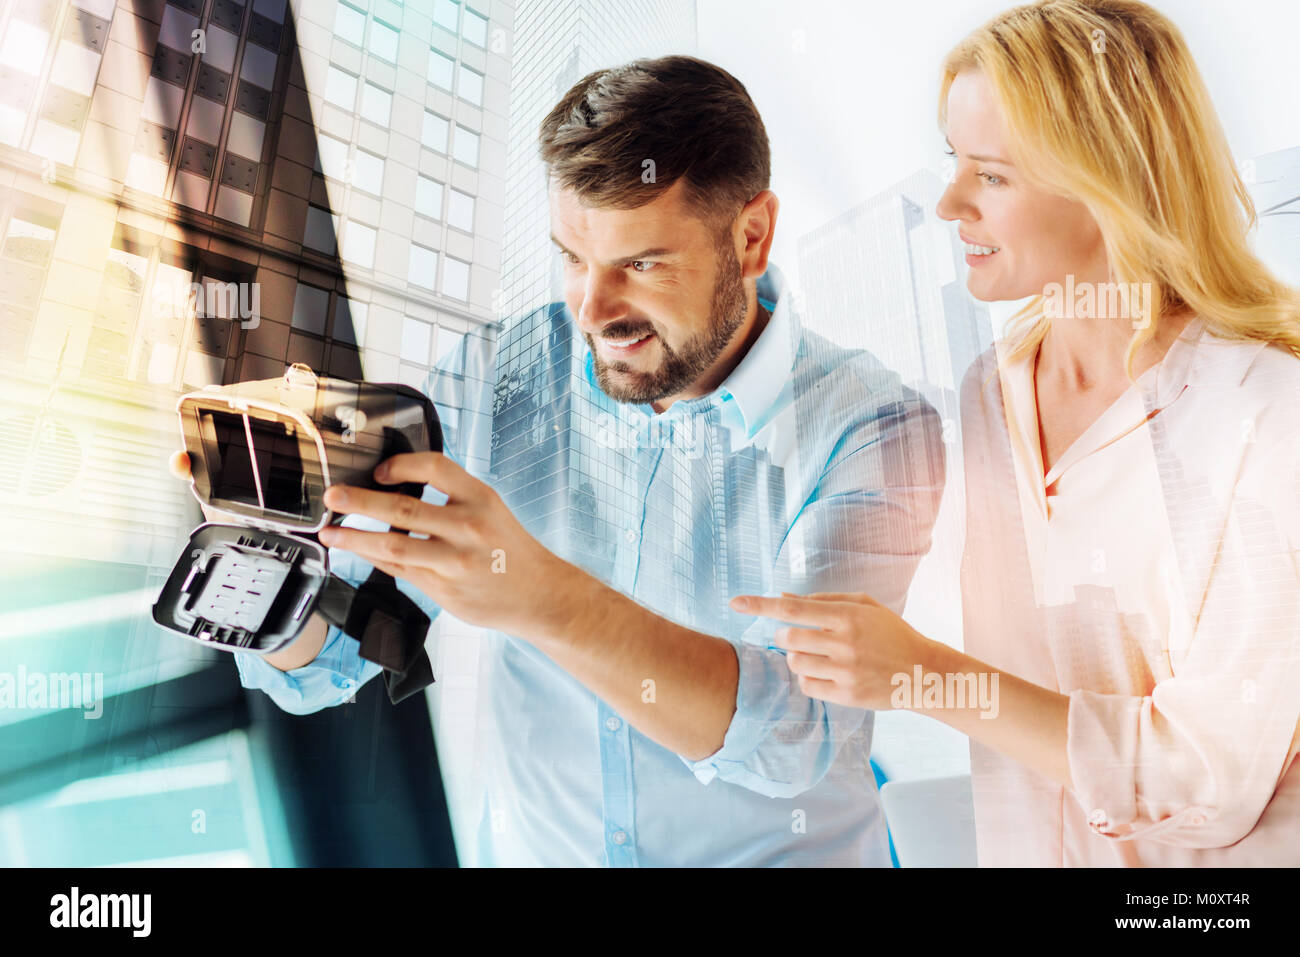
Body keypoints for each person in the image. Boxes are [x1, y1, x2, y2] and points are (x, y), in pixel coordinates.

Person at [175, 55, 946, 866]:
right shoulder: (498, 376)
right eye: (573, 258)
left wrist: (543, 598)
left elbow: (798, 735)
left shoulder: (871, 428)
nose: (594, 308)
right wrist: (265, 552)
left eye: (640, 264)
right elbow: (328, 662)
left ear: (750, 236)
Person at [733, 0, 1300, 866]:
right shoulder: (991, 393)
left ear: (1111, 181)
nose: (950, 200)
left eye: (992, 176)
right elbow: (1020, 747)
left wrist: (921, 673)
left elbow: (1205, 782)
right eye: (953, 162)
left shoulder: (1266, 408)